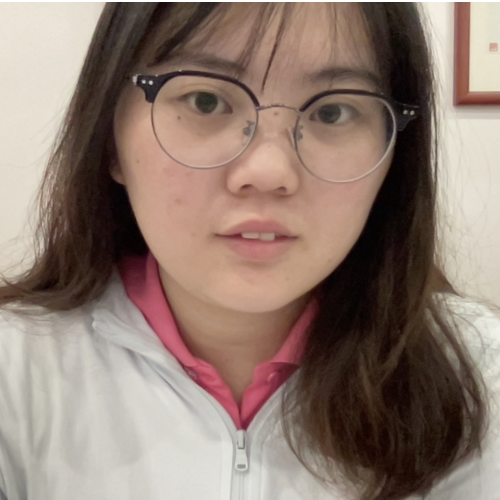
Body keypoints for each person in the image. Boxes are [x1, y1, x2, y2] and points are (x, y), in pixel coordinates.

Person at [0, 3, 498, 499]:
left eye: (332, 112)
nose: (268, 172)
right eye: (205, 102)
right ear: (109, 138)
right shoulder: (16, 374)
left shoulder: (479, 378)